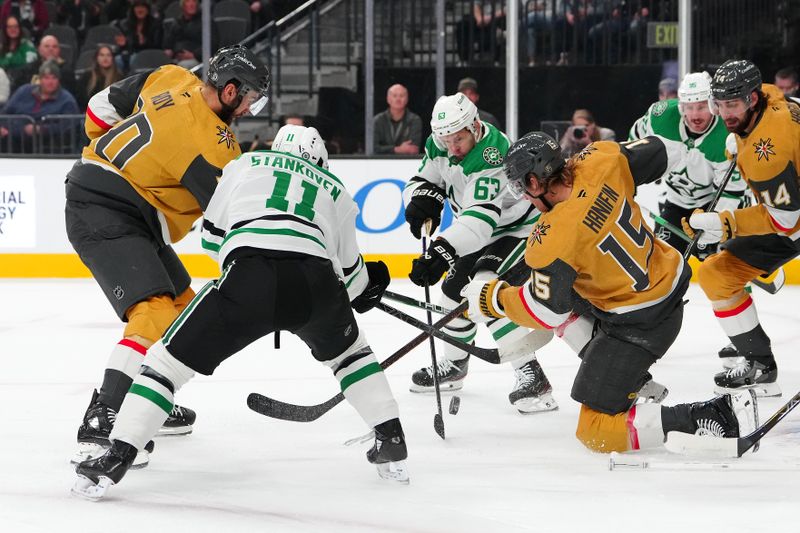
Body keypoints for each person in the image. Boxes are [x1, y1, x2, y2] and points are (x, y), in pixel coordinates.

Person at [72, 125, 408, 499]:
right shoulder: (336, 189)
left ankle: (117, 455)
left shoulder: (244, 163)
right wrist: (369, 283)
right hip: (316, 285)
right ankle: (391, 438)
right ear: (319, 159)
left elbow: (213, 239)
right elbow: (353, 279)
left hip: (250, 276)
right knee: (352, 356)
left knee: (166, 364)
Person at [461, 131, 757, 454]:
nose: (523, 197)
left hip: (639, 325)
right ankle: (628, 377)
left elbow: (545, 310)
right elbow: (662, 150)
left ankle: (713, 415)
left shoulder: (552, 239)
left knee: (596, 431)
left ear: (535, 182)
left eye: (521, 187)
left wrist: (491, 300)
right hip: (667, 281)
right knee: (550, 283)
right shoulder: (600, 158)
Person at [65, 45, 270, 467]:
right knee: (153, 314)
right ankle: (104, 419)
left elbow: (99, 110)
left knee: (184, 314)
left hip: (114, 202)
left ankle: (148, 396)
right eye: (249, 98)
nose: (250, 108)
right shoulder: (216, 147)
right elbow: (229, 221)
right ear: (230, 91)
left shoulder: (172, 77)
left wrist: (118, 159)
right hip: (108, 210)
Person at [403, 93, 557, 413]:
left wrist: (441, 250)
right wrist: (421, 198)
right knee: (451, 293)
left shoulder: (492, 153)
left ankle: (533, 376)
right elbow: (424, 178)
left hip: (518, 230)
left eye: (458, 139)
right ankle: (455, 365)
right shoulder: (439, 144)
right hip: (482, 231)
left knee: (482, 290)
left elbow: (480, 220)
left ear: (474, 126)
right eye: (445, 140)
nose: (452, 147)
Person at [682, 59, 800, 398]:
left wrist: (726, 223)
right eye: (718, 104)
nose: (724, 113)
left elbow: (786, 222)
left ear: (750, 99)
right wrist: (743, 138)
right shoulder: (765, 96)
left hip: (793, 217)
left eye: (731, 104)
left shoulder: (769, 152)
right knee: (717, 274)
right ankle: (759, 364)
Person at [628, 71, 747, 257]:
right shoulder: (661, 116)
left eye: (701, 107)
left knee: (725, 266)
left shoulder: (726, 135)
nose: (694, 115)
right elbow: (632, 145)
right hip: (676, 204)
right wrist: (626, 180)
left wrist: (714, 224)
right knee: (661, 263)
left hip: (711, 203)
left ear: (713, 105)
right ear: (681, 105)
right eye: (689, 107)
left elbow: (731, 192)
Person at [0, 60, 78, 152]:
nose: (50, 82)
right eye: (46, 78)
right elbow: (5, 113)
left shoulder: (66, 99)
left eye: (54, 78)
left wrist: (42, 129)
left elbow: (69, 125)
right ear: (39, 79)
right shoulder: (24, 91)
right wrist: (3, 126)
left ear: (58, 80)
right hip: (14, 137)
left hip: (48, 143)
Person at [114, 0, 164, 73]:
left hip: (149, 54)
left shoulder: (155, 24)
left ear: (147, 10)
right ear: (133, 9)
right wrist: (124, 44)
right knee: (117, 59)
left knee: (134, 59)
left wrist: (144, 41)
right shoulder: (126, 24)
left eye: (142, 7)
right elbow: (126, 46)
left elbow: (157, 45)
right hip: (131, 53)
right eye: (137, 7)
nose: (140, 10)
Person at [373, 83, 422, 155]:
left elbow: (413, 149)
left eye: (401, 96)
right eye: (394, 96)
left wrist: (386, 149)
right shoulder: (377, 120)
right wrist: (397, 149)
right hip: (381, 163)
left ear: (407, 99)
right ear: (388, 99)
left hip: (407, 163)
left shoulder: (414, 120)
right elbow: (373, 148)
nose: (398, 99)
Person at [76, 44, 123, 109]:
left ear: (112, 58)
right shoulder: (87, 76)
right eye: (102, 55)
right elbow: (81, 100)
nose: (105, 58)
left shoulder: (119, 77)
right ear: (96, 58)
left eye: (108, 55)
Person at [0, 15, 37, 86]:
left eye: (15, 26)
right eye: (10, 27)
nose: (13, 29)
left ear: (20, 28)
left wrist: (8, 62)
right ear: (5, 29)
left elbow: (30, 67)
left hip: (20, 82)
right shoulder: (1, 46)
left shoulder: (28, 46)